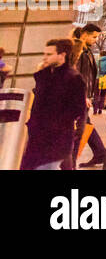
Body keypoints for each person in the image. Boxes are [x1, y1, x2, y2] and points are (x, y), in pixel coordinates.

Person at [20, 39, 86, 170]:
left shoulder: (73, 78)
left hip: (55, 140)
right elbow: (40, 100)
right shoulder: (46, 75)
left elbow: (78, 109)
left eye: (49, 54)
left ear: (62, 55)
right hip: (38, 138)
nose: (45, 57)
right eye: (44, 54)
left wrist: (55, 125)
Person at [70, 23, 106, 168]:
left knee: (81, 128)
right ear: (84, 34)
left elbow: (88, 76)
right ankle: (100, 153)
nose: (95, 40)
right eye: (94, 36)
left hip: (83, 97)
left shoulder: (88, 52)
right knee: (81, 127)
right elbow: (77, 75)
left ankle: (71, 163)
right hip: (80, 97)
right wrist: (83, 96)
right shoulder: (79, 51)